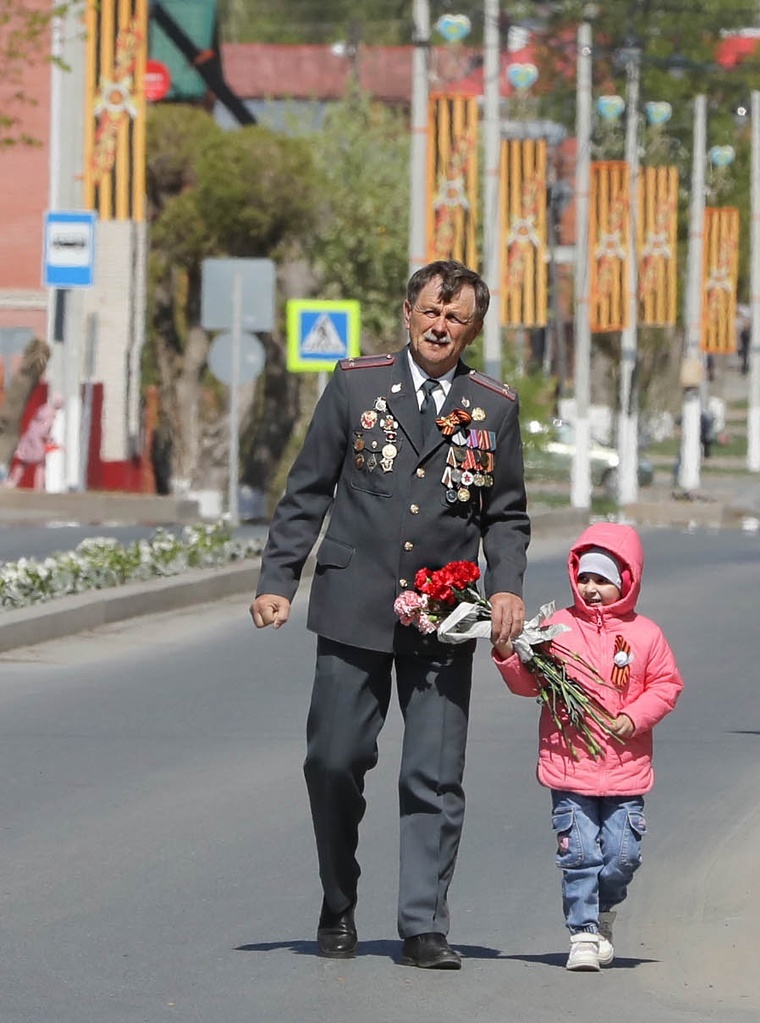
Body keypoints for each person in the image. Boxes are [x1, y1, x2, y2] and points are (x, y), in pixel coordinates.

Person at [249, 260, 531, 970]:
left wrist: (506, 587)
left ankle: (423, 924)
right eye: (431, 313)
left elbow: (507, 515)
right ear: (408, 313)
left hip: (443, 617)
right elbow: (308, 488)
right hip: (353, 605)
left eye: (455, 317)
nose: (440, 327)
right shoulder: (357, 383)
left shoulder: (491, 405)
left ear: (473, 328)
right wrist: (278, 578)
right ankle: (337, 898)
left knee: (433, 773)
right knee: (333, 759)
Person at [491, 522, 683, 972]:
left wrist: (633, 718)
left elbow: (666, 685)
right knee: (579, 853)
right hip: (569, 764)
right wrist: (506, 653)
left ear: (627, 580)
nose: (592, 589)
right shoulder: (557, 628)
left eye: (604, 579)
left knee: (622, 855)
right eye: (585, 578)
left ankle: (602, 915)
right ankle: (581, 932)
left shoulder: (645, 635)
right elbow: (529, 684)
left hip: (625, 767)